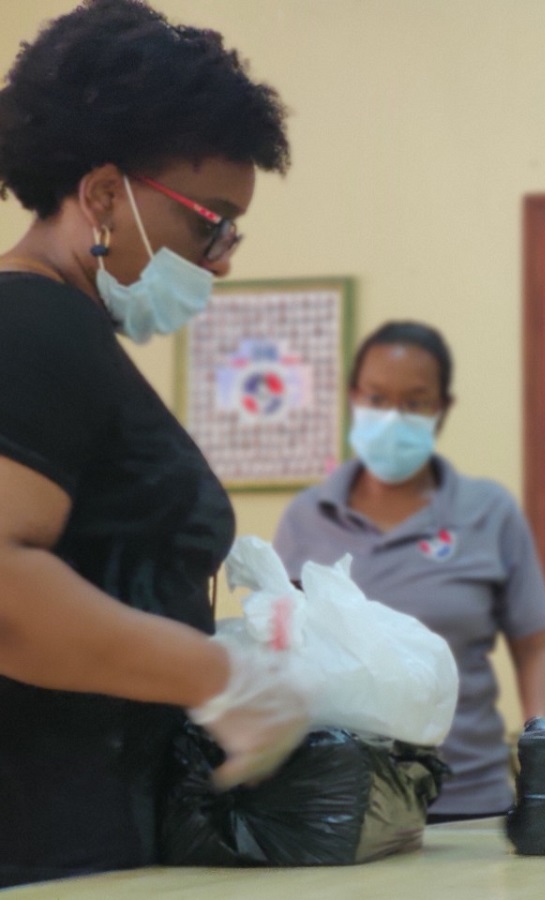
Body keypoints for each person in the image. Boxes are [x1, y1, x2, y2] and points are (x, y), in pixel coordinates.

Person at [0, 0, 312, 887]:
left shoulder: (71, 336)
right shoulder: (29, 328)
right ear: (102, 196)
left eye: (233, 231)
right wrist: (216, 674)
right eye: (207, 221)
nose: (220, 258)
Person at [273, 320, 545, 820]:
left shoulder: (488, 511)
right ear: (352, 397)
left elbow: (536, 643)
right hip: (338, 807)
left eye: (415, 403)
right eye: (377, 398)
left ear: (442, 410)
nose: (392, 418)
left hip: (469, 802)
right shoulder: (306, 518)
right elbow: (280, 650)